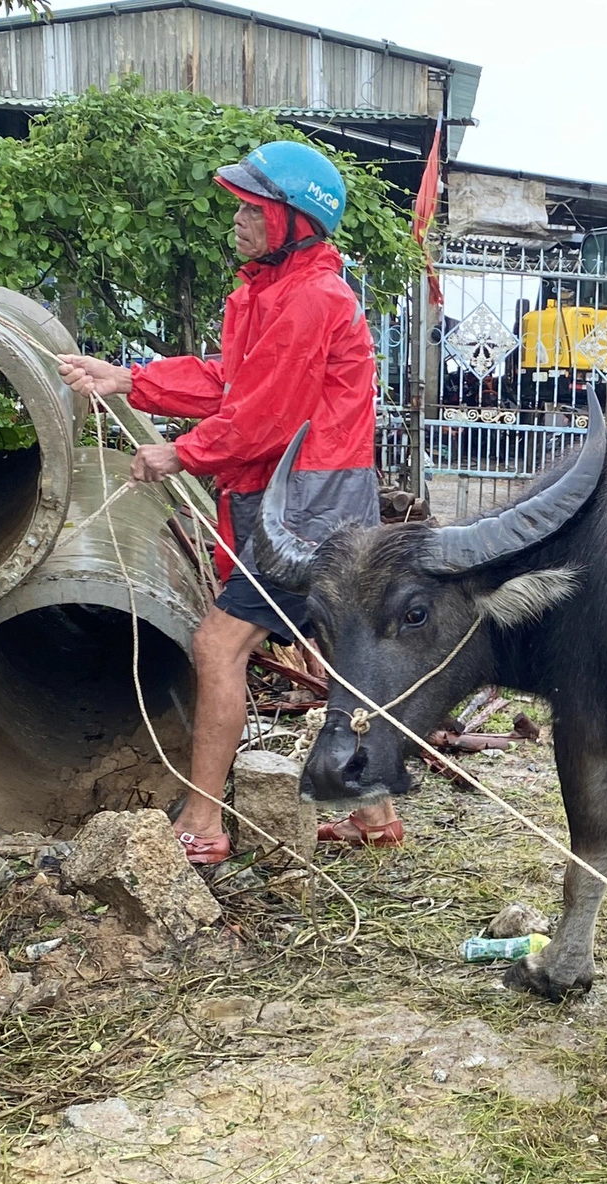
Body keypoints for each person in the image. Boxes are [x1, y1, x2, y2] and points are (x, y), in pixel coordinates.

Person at [57, 140, 400, 865]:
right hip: (302, 495)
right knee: (339, 650)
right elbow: (230, 384)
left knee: (219, 646)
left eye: (253, 207)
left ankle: (203, 822)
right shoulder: (271, 293)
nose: (238, 219)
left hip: (310, 506)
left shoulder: (311, 298)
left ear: (294, 221)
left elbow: (268, 416)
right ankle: (373, 813)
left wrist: (179, 452)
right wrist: (127, 380)